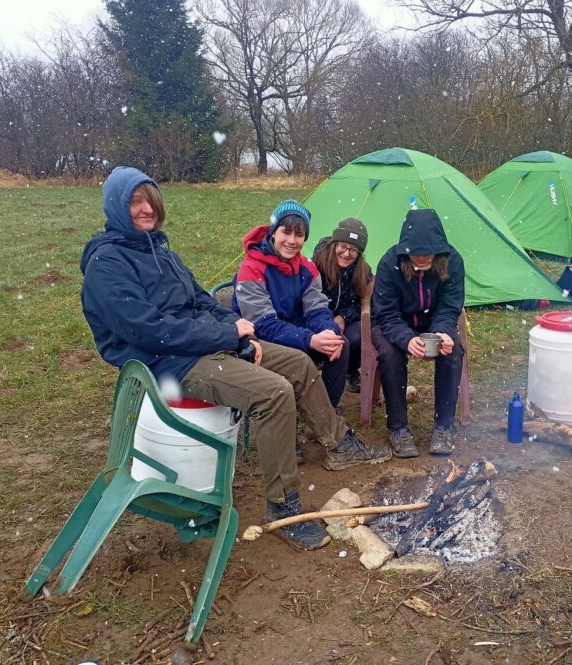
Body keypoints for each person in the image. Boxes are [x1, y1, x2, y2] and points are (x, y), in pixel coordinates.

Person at [80, 166, 390, 552]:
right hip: (166, 363)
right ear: (115, 205)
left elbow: (201, 300)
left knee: (299, 364)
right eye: (134, 202)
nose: (146, 210)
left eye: (151, 201)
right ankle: (282, 503)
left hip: (200, 345)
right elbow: (148, 331)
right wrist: (229, 336)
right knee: (274, 393)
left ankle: (339, 442)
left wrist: (239, 331)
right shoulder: (108, 264)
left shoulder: (160, 252)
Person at [232, 201, 351, 407]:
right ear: (273, 233)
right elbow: (263, 325)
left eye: (299, 235)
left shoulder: (307, 268)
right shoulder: (251, 268)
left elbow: (317, 309)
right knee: (299, 358)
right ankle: (313, 412)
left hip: (295, 332)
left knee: (339, 343)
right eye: (286, 233)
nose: (292, 241)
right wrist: (309, 339)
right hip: (260, 339)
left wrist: (328, 331)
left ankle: (326, 409)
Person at [371, 208, 465, 457]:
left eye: (428, 252)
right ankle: (398, 429)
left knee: (453, 351)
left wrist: (442, 332)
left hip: (433, 322)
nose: (422, 258)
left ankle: (443, 426)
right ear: (405, 250)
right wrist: (406, 339)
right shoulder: (389, 263)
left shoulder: (453, 261)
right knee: (390, 355)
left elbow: (449, 307)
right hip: (392, 322)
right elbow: (386, 314)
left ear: (439, 249)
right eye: (416, 252)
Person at [312, 218, 372, 394]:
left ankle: (349, 369)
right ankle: (317, 365)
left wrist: (344, 316)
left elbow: (365, 301)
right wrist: (327, 322)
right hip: (315, 320)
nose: (346, 254)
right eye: (343, 246)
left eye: (353, 250)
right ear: (334, 244)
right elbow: (308, 299)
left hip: (345, 322)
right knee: (334, 340)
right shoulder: (316, 264)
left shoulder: (363, 271)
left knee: (365, 330)